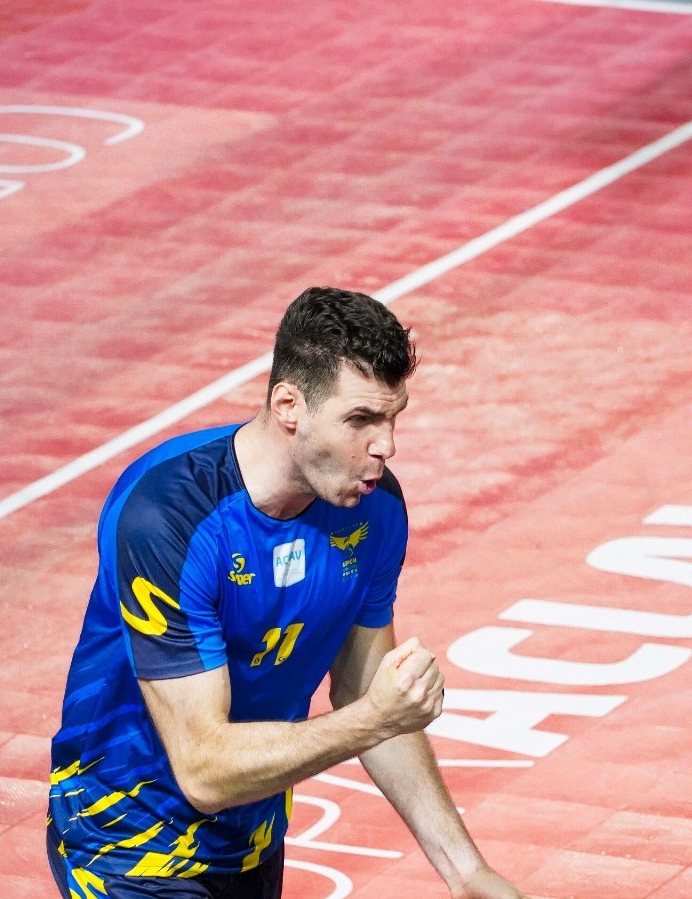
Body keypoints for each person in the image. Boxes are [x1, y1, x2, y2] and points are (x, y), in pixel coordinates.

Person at [48, 287, 522, 897]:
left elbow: (366, 688)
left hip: (252, 840)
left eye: (393, 417)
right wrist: (370, 721)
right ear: (289, 405)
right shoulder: (168, 516)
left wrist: (467, 872)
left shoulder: (374, 510)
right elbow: (204, 770)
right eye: (361, 420)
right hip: (123, 845)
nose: (386, 445)